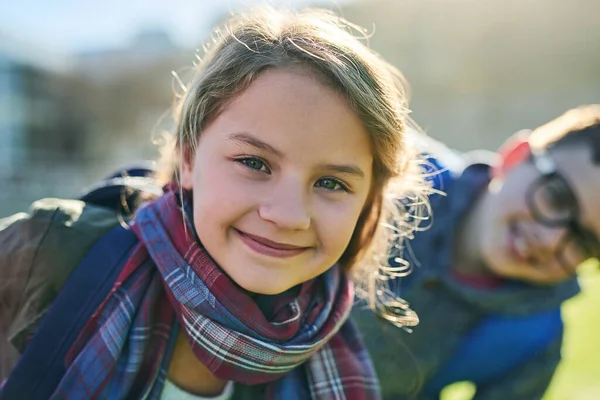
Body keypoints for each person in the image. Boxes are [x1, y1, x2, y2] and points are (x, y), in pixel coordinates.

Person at [0, 6, 431, 400]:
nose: (287, 215)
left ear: (367, 204)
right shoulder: (46, 252)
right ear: (188, 157)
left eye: (332, 183)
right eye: (254, 162)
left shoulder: (367, 339)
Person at [352, 105, 600, 399]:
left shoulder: (532, 334)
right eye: (556, 197)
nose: (550, 240)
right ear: (514, 157)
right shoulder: (391, 170)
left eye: (584, 241)